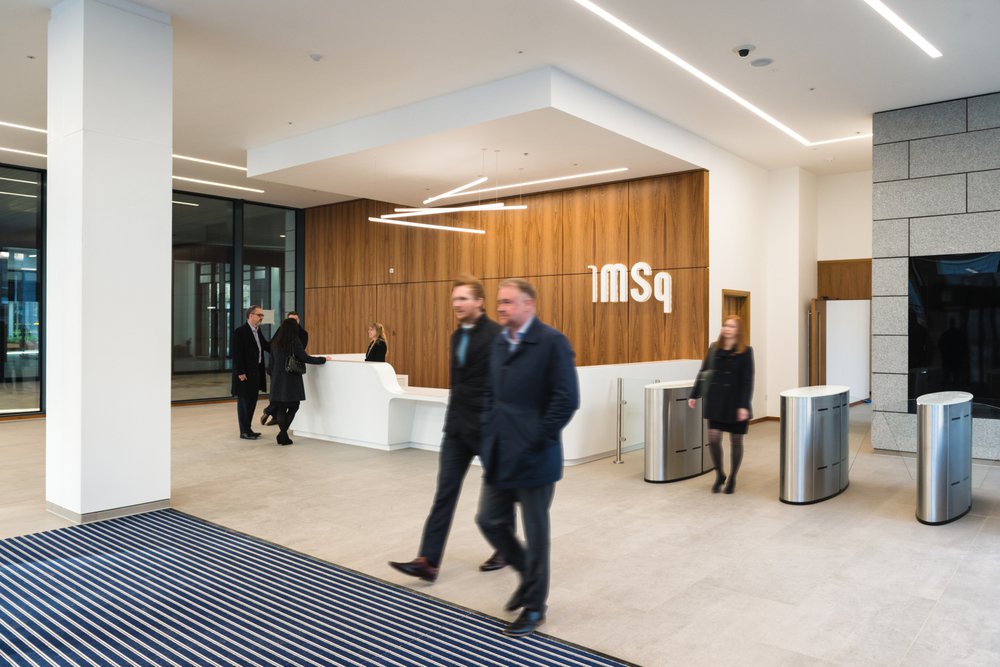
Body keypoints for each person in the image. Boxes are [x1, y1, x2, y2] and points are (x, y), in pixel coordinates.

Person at [389, 275, 511, 583]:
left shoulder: (498, 336)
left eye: (463, 298)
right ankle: (428, 561)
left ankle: (505, 548)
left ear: (479, 302)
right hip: (456, 428)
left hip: (487, 427)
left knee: (498, 491)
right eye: (454, 299)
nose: (456, 304)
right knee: (444, 493)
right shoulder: (457, 336)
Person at [475, 278, 579, 638]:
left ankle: (535, 606)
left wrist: (536, 438)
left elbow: (567, 399)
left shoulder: (552, 343)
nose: (501, 308)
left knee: (536, 535)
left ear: (528, 305)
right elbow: (491, 394)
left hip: (536, 457)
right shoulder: (500, 343)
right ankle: (528, 576)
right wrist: (489, 432)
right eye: (499, 302)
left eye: (508, 302)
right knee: (488, 520)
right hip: (500, 453)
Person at [688, 315, 755, 494]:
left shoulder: (746, 351)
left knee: (736, 441)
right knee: (713, 439)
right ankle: (719, 473)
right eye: (725, 325)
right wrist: (694, 394)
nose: (727, 329)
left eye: (732, 326)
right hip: (716, 401)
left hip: (736, 402)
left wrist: (744, 405)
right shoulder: (714, 348)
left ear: (738, 330)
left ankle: (733, 476)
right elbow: (704, 372)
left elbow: (748, 380)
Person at [267, 317, 330, 445]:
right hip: (291, 380)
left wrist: (273, 376)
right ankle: (283, 435)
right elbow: (305, 357)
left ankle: (282, 434)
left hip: (277, 380)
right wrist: (323, 359)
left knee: (281, 408)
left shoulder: (275, 342)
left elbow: (271, 362)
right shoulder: (294, 341)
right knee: (294, 406)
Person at [261, 311, 308, 427]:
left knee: (283, 399)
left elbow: (299, 352)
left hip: (290, 368)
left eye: (295, 319)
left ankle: (269, 411)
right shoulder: (281, 331)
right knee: (280, 397)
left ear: (299, 320)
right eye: (291, 320)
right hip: (279, 370)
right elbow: (271, 347)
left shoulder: (302, 334)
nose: (293, 322)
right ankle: (274, 416)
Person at [231, 305, 270, 440]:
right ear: (250, 315)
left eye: (262, 315)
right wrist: (240, 372)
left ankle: (248, 429)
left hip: (256, 373)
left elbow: (265, 346)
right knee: (244, 403)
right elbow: (237, 354)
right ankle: (244, 431)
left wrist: (281, 348)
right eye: (259, 315)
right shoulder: (240, 332)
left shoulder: (257, 331)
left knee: (252, 401)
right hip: (244, 374)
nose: (261, 318)